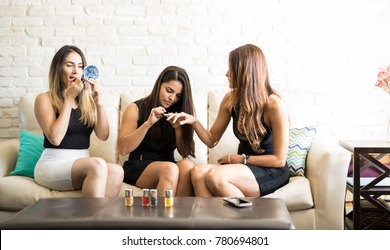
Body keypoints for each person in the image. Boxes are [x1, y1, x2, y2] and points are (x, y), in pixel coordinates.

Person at [166, 44, 290, 197]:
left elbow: (279, 160)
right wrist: (194, 121)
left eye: (231, 69)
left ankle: (248, 218)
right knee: (198, 173)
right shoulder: (230, 99)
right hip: (242, 166)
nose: (226, 74)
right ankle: (212, 220)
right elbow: (211, 140)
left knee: (214, 176)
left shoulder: (274, 105)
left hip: (270, 169)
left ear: (244, 71)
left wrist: (241, 159)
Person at [34, 45, 124, 197]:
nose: (76, 71)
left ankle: (99, 219)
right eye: (69, 65)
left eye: (80, 66)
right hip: (52, 165)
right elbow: (55, 138)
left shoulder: (87, 100)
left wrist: (99, 104)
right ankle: (88, 220)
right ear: (58, 69)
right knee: (97, 164)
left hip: (82, 164)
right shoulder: (44, 99)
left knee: (116, 170)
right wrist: (68, 99)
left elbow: (103, 135)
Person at [118, 66, 196, 197]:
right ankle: (161, 217)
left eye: (178, 95)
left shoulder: (178, 111)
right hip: (139, 165)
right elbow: (123, 149)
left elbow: (185, 152)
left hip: (168, 165)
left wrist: (178, 129)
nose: (172, 98)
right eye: (169, 90)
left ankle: (181, 215)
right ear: (159, 85)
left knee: (187, 166)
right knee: (170, 169)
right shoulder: (135, 108)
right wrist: (148, 124)